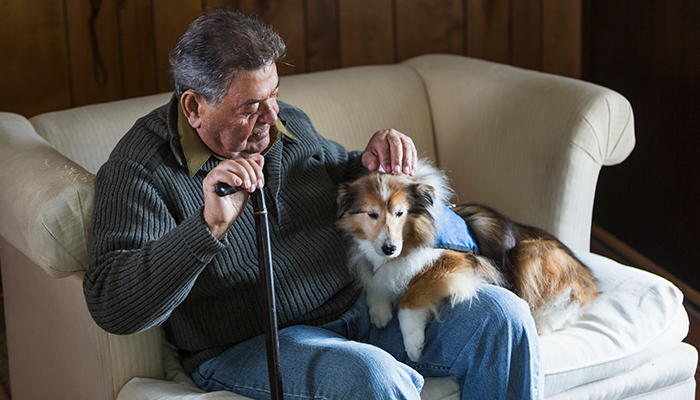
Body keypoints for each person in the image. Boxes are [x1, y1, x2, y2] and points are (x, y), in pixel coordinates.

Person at [84, 8, 542, 400]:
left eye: (275, 95)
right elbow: (112, 304)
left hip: (360, 308)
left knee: (505, 317)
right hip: (257, 345)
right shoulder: (139, 172)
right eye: (249, 108)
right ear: (193, 107)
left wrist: (371, 161)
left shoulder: (287, 126)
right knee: (373, 379)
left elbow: (340, 174)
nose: (271, 118)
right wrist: (206, 228)